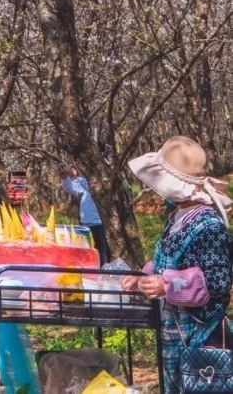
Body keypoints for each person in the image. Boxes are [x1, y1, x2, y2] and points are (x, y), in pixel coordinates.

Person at [122, 137, 232, 394]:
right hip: (174, 329)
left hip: (198, 334)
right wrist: (144, 276)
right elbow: (169, 260)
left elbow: (217, 281)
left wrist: (166, 284)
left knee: (196, 386)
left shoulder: (208, 224)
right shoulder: (177, 217)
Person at [59, 164, 109, 263]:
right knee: (89, 251)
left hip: (98, 223)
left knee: (102, 251)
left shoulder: (88, 183)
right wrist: (65, 177)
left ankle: (104, 271)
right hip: (87, 224)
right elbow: (70, 187)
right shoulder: (81, 185)